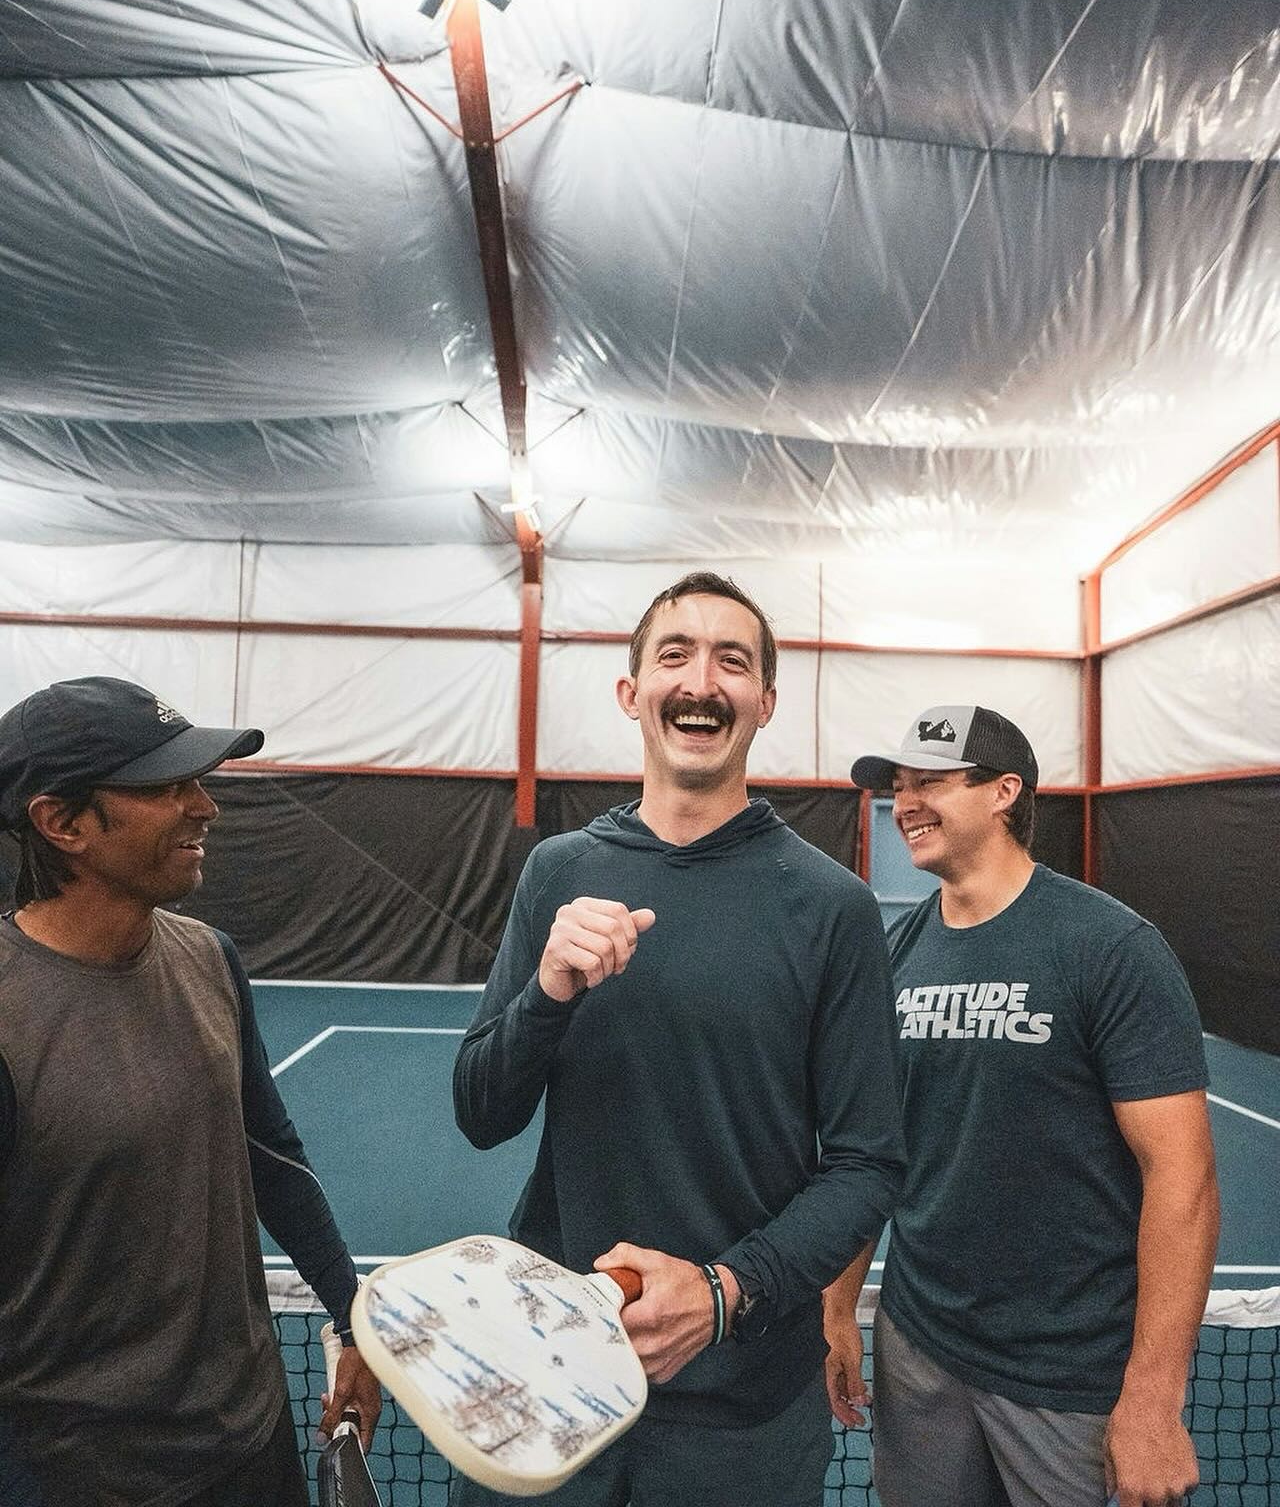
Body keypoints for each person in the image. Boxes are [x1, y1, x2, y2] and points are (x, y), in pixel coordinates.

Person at [452, 570, 905, 1507]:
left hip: (744, 1408)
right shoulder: (558, 873)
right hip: (551, 1366)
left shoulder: (832, 907)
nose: (702, 681)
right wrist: (546, 992)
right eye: (675, 655)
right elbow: (481, 1112)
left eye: (732, 662)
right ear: (632, 694)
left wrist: (724, 1291)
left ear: (764, 703)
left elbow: (868, 1163)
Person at [0, 676, 381, 1507]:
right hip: (75, 1475)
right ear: (62, 823)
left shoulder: (210, 959)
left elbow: (273, 1157)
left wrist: (359, 1318)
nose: (204, 806)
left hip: (250, 1442)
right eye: (165, 787)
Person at [825, 705, 1219, 1507]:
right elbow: (874, 1149)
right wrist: (837, 1306)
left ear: (1006, 791)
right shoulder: (896, 954)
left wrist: (1151, 1397)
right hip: (920, 1348)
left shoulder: (1110, 949)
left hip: (1065, 1376)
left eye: (930, 782)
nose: (905, 803)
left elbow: (1183, 1176)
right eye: (898, 786)